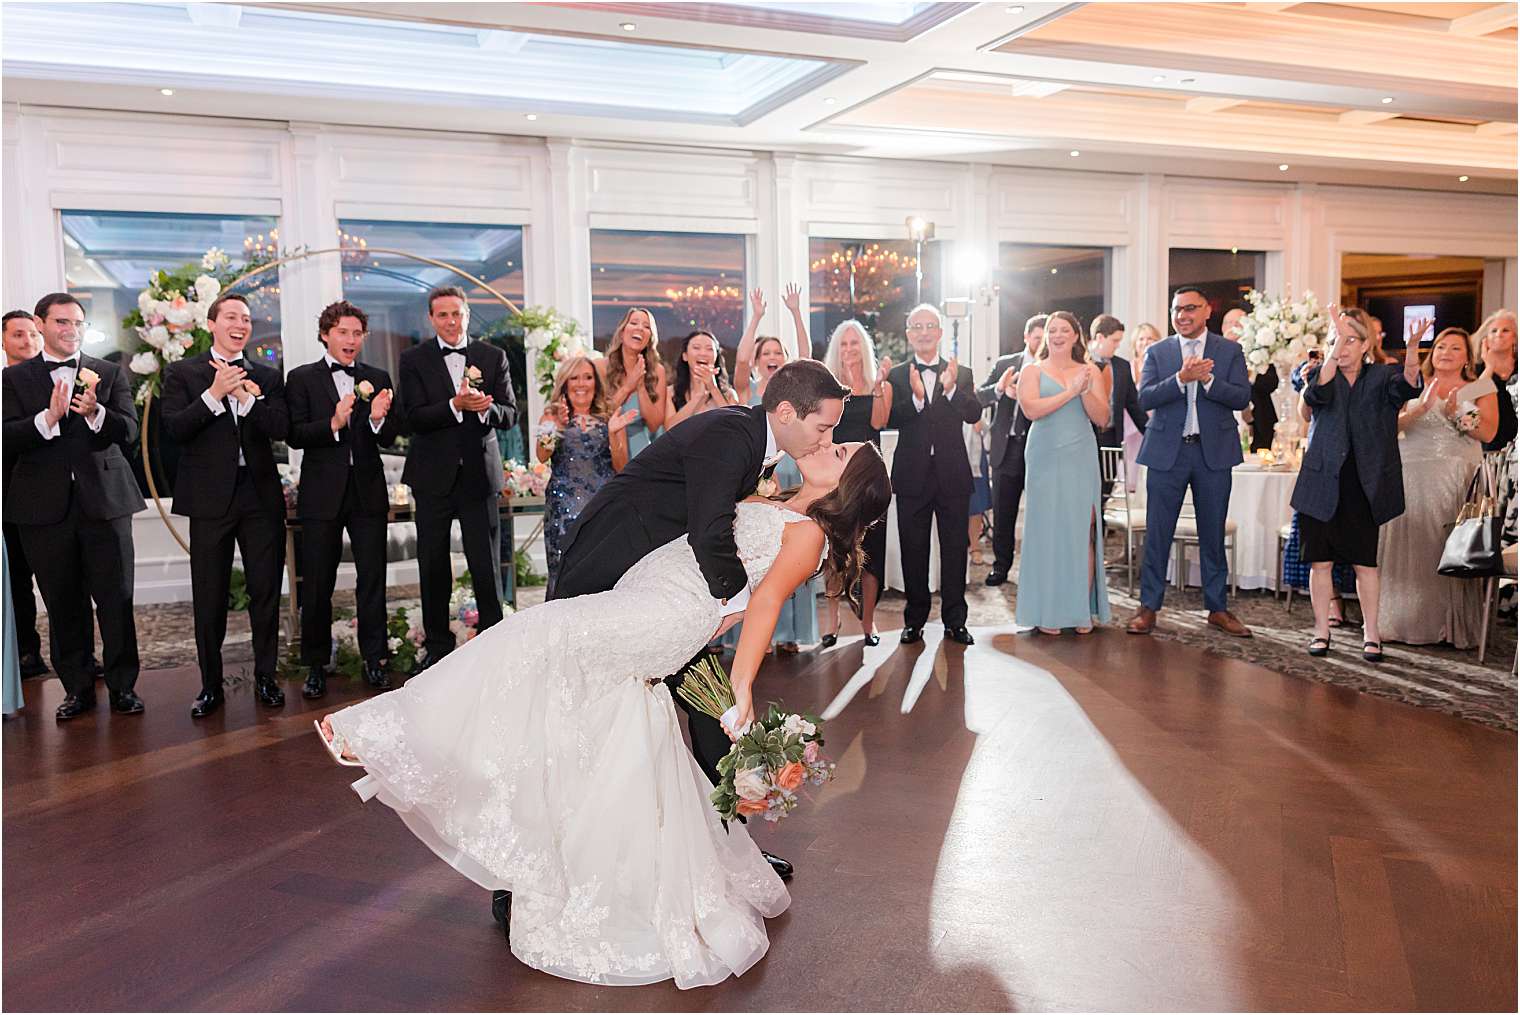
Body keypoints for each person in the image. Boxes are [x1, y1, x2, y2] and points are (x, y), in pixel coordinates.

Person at [332, 358, 849, 973]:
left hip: (666, 591)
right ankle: (518, 880)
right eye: (823, 429)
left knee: (673, 713)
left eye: (835, 441)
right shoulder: (733, 437)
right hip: (615, 572)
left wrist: (717, 611)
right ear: (787, 413)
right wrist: (730, 603)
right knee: (563, 710)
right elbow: (712, 533)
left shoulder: (759, 451)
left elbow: (721, 538)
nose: (826, 441)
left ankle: (719, 848)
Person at [1, 293, 146, 721]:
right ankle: (77, 689)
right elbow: (6, 437)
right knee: (64, 604)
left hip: (105, 502)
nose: (71, 330)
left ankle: (123, 688)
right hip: (43, 510)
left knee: (116, 600)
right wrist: (47, 419)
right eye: (61, 322)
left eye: (78, 323)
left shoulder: (107, 371)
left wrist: (97, 412)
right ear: (41, 324)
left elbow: (130, 433)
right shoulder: (14, 379)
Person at [161, 293, 289, 717]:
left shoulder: (267, 377)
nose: (241, 324)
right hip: (209, 498)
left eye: (247, 319)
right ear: (212, 323)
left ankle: (266, 678)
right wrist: (214, 395)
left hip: (259, 496)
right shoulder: (183, 373)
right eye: (232, 316)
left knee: (265, 591)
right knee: (210, 595)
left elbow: (282, 429)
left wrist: (250, 401)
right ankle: (210, 685)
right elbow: (175, 430)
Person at [285, 300, 402, 700]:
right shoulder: (301, 379)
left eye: (357, 334)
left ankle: (375, 660)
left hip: (368, 491)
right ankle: (316, 665)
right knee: (318, 582)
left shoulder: (378, 375)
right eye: (343, 332)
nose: (351, 340)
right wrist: (333, 423)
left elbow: (389, 437)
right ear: (325, 334)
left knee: (373, 579)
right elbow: (295, 435)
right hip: (321, 494)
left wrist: (377, 419)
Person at [398, 285, 519, 671]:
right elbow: (411, 416)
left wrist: (485, 410)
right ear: (431, 319)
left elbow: (510, 413)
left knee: (485, 564)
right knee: (432, 565)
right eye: (443, 315)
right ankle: (437, 647)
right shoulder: (414, 359)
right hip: (431, 476)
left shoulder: (492, 355)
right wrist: (454, 405)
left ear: (467, 315)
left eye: (458, 313)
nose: (451, 321)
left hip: (478, 476)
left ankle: (494, 646)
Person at [1292, 307, 1423, 661]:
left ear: (1366, 345)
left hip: (1364, 482)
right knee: (1320, 563)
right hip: (1321, 482)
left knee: (1366, 563)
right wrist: (1333, 351)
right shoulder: (1323, 374)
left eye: (1351, 339)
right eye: (1337, 339)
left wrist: (1411, 351)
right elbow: (1314, 397)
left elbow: (1409, 386)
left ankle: (1371, 633)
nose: (1344, 347)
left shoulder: (1382, 377)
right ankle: (1321, 631)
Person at [1128, 286, 1253, 638]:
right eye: (1176, 309)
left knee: (1212, 533)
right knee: (1157, 532)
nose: (1182, 315)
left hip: (1212, 453)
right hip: (1168, 452)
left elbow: (1242, 396)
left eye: (1190, 309)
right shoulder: (1158, 352)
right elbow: (1145, 397)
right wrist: (1181, 379)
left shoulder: (1229, 351)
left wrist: (1209, 379)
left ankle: (1217, 609)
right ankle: (1149, 607)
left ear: (1206, 311)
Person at [1377, 326, 1497, 648]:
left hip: (1454, 478)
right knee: (1412, 541)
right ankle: (1401, 621)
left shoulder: (1480, 387)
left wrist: (1457, 412)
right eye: (1441, 346)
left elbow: (1488, 434)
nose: (1446, 353)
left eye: (1455, 348)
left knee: (1444, 544)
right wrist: (1420, 410)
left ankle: (1446, 625)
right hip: (1410, 472)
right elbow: (1392, 425)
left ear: (1467, 357)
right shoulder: (1413, 383)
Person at [722, 285, 818, 654]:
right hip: (756, 477)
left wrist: (795, 312)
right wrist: (757, 317)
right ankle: (752, 634)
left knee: (790, 551)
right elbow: (741, 360)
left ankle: (789, 633)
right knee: (754, 551)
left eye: (778, 352)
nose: (773, 357)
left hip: (792, 473)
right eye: (767, 353)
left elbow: (808, 356)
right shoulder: (749, 387)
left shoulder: (796, 386)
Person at [887, 304, 982, 646]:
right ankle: (914, 621)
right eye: (917, 326)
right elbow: (889, 419)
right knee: (914, 550)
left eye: (930, 326)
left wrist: (953, 389)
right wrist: (914, 397)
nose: (924, 332)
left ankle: (955, 621)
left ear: (940, 333)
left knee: (955, 549)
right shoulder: (897, 375)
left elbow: (973, 414)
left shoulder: (963, 372)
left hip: (952, 475)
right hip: (912, 475)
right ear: (909, 334)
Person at [1014, 311, 1112, 634]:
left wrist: (1083, 390)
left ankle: (1079, 610)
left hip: (1080, 455)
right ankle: (1048, 611)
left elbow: (1102, 418)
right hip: (1044, 454)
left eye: (1064, 330)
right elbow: (1031, 410)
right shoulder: (1032, 370)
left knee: (1081, 529)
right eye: (1052, 330)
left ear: (1075, 336)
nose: (1057, 335)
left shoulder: (1090, 371)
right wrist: (1069, 392)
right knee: (1048, 531)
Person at [538, 354, 637, 595]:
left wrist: (613, 434)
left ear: (596, 382)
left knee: (601, 576)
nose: (581, 383)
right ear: (565, 382)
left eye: (588, 377)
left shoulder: (609, 415)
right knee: (562, 575)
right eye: (575, 378)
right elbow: (542, 455)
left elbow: (622, 466)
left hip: (601, 511)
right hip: (562, 512)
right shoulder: (550, 416)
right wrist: (558, 428)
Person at [820, 319, 892, 647]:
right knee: (834, 552)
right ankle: (832, 619)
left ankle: (868, 622)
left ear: (863, 347)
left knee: (871, 554)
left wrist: (878, 386)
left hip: (868, 478)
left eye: (854, 343)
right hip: (836, 476)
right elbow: (823, 430)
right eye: (843, 344)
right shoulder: (827, 386)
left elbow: (878, 422)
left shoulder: (879, 384)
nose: (849, 350)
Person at [975, 314, 1045, 587]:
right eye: (1037, 337)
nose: (1041, 343)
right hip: (1007, 448)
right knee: (1003, 513)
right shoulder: (1006, 364)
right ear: (1027, 337)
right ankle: (1001, 566)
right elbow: (979, 396)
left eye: (1045, 338)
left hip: (1039, 448)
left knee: (1040, 513)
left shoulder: (1051, 369)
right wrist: (1001, 389)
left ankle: (1036, 570)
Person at [2, 309, 48, 678]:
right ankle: (26, 652)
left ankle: (77, 653)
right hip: (11, 495)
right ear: (3, 341)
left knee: (65, 579)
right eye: (18, 335)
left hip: (54, 495)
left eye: (33, 334)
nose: (28, 341)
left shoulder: (57, 380)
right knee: (17, 579)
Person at [1088, 313, 1147, 504]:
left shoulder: (1121, 366)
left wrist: (1152, 433)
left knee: (1104, 494)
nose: (1117, 345)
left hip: (1112, 438)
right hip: (1086, 437)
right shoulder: (1081, 363)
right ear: (1099, 338)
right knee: (1085, 493)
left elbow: (1134, 406)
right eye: (1114, 341)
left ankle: (1100, 533)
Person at [600, 307, 666, 460]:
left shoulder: (657, 371)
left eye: (646, 326)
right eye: (634, 323)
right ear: (622, 332)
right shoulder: (600, 367)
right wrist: (628, 386)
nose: (640, 328)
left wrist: (641, 385)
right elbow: (600, 416)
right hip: (606, 451)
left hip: (641, 454)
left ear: (650, 338)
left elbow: (655, 425)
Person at [1222, 305, 1280, 451]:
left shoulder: (1259, 350)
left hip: (1259, 423)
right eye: (1228, 323)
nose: (1232, 327)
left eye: (1237, 323)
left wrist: (1251, 374)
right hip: (1223, 423)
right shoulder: (1213, 352)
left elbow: (1271, 383)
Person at [664, 330, 739, 429]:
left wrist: (713, 388)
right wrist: (699, 396)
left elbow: (735, 426)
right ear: (685, 356)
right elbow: (670, 429)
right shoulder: (671, 392)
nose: (703, 353)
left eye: (709, 349)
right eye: (696, 348)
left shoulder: (729, 394)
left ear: (716, 357)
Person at [1122, 323, 1162, 492]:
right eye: (1141, 339)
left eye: (1150, 338)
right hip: (1131, 419)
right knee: (1130, 454)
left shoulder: (1159, 366)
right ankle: (1130, 487)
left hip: (1153, 416)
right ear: (1135, 343)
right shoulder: (1128, 366)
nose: (1146, 342)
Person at [1474, 308, 1517, 452]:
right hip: (1487, 451)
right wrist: (1489, 368)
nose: (1499, 334)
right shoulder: (1475, 371)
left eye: (1505, 330)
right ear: (1485, 339)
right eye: (1493, 331)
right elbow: (1468, 404)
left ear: (1515, 337)